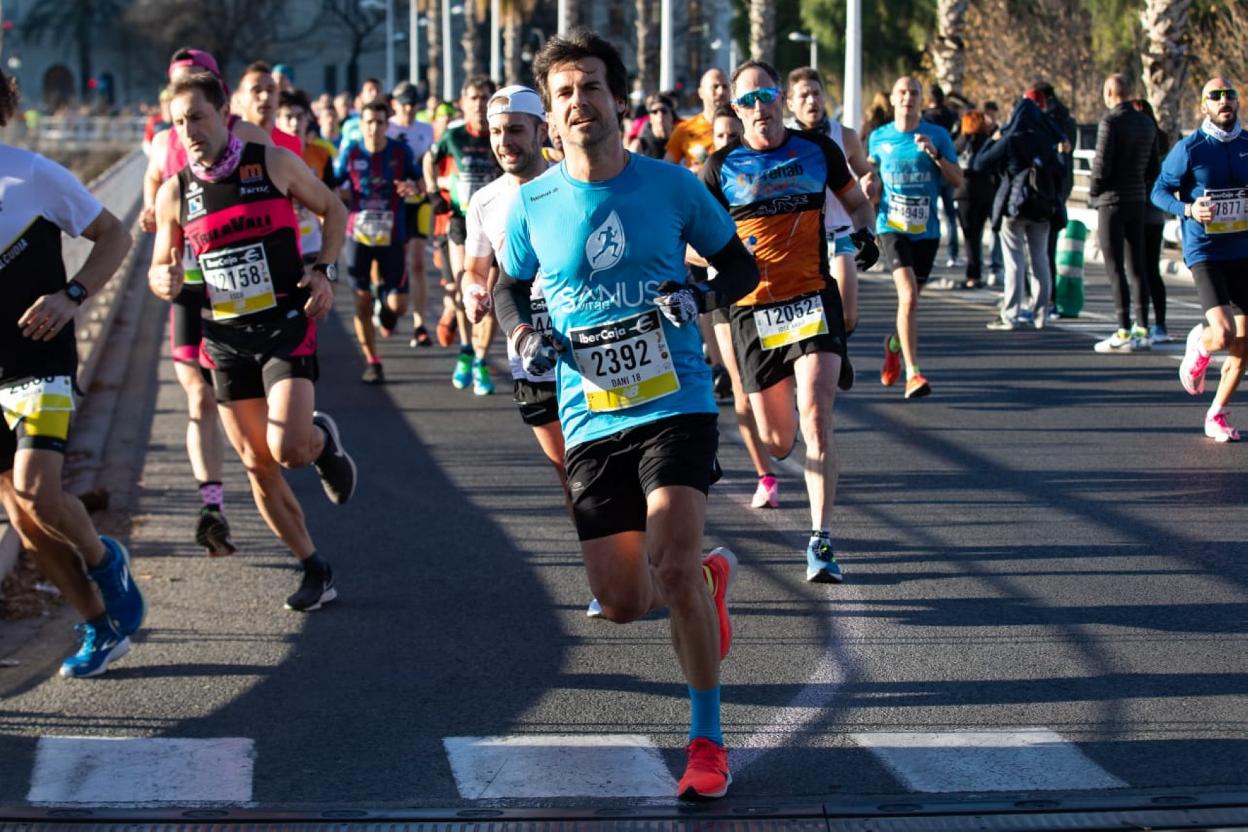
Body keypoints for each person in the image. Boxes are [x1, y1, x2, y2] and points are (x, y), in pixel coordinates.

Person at [494, 28, 760, 800]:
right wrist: (521, 333)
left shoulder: (672, 186)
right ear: (551, 117)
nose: (580, 101)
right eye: (564, 93)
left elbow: (740, 264)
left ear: (618, 101)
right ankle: (705, 580)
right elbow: (508, 284)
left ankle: (707, 743)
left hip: (676, 400)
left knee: (668, 565)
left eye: (592, 87)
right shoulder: (533, 202)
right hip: (590, 414)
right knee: (622, 603)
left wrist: (698, 294)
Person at [148, 72, 356, 610]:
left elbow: (333, 210)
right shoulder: (175, 192)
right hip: (224, 337)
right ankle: (314, 567)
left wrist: (324, 270)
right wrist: (162, 278)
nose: (190, 131)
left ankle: (320, 442)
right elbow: (160, 266)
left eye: (198, 117)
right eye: (179, 123)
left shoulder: (271, 163)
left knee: (288, 450)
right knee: (256, 463)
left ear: (224, 115)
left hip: (285, 322)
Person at [703, 60, 877, 583]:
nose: (759, 107)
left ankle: (821, 540)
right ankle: (786, 433)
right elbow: (692, 242)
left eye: (766, 95)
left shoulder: (817, 150)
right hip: (754, 312)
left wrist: (865, 234)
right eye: (747, 100)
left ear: (780, 99)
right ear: (736, 110)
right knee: (778, 442)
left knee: (817, 418)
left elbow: (857, 204)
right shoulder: (719, 169)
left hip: (811, 300)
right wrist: (719, 262)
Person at [0, 68, 146, 678]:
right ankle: (99, 626)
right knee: (24, 518)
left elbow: (115, 235)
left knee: (37, 488)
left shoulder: (32, 174)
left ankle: (104, 559)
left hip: (39, 361)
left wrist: (73, 295)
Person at [139, 48, 273, 558]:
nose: (187, 122)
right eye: (176, 88)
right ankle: (211, 508)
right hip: (192, 287)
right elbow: (152, 201)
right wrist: (159, 248)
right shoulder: (163, 142)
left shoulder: (249, 137)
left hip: (244, 286)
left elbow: (285, 196)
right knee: (198, 396)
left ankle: (284, 453)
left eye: (194, 86)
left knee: (258, 405)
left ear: (217, 97)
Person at [1152, 77, 1248, 443]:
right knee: (1222, 335)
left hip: (1242, 250)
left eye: (1230, 95)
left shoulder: (1247, 144)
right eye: (1215, 96)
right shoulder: (1190, 148)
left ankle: (1216, 414)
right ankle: (1199, 343)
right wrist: (1189, 209)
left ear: (1237, 102)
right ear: (1204, 105)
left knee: (1244, 344)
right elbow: (1158, 191)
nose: (1224, 100)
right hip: (1205, 250)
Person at [697, 105, 777, 509]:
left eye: (734, 135)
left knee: (778, 387)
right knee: (743, 386)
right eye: (721, 137)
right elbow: (687, 246)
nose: (728, 143)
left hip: (775, 292)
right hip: (729, 296)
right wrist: (723, 254)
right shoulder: (706, 180)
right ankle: (766, 475)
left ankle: (782, 434)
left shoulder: (767, 173)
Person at [863, 76, 962, 399]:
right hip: (891, 227)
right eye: (902, 92)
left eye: (914, 93)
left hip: (926, 232)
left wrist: (935, 155)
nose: (908, 97)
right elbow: (870, 174)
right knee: (908, 297)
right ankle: (913, 373)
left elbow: (958, 180)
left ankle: (894, 344)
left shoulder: (938, 135)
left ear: (921, 100)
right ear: (893, 99)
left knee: (912, 301)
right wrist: (869, 183)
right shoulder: (879, 137)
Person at [426, 75, 503, 395]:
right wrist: (433, 191)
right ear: (463, 103)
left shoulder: (501, 132)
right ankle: (466, 349)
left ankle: (481, 360)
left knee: (491, 296)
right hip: (461, 220)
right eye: (474, 98)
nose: (480, 104)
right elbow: (428, 160)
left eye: (485, 97)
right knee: (464, 288)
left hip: (496, 221)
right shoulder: (454, 135)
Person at [335, 100, 422, 384]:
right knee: (361, 303)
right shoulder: (351, 152)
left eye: (379, 122)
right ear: (361, 124)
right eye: (369, 122)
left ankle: (384, 300)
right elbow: (334, 183)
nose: (374, 128)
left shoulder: (400, 152)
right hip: (357, 237)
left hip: (392, 236)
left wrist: (412, 188)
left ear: (387, 124)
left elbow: (420, 184)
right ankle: (372, 361)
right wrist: (336, 197)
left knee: (399, 306)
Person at [973, 98, 1064, 329]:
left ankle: (1010, 314)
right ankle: (1041, 315)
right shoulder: (1046, 140)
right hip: (1042, 207)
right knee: (1040, 259)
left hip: (1014, 207)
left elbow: (979, 163)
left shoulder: (1011, 139)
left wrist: (992, 140)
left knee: (1014, 261)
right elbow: (1060, 171)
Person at [1089, 73, 1160, 353]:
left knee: (1115, 268)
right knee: (1138, 266)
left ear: (1109, 93)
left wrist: (1094, 192)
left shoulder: (1110, 122)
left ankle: (1122, 328)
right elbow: (1153, 167)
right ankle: (1143, 328)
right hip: (1137, 200)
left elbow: (1101, 164)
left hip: (1111, 201)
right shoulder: (1146, 123)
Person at [387, 82, 436, 348]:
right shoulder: (387, 127)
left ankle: (420, 324)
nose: (408, 109)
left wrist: (424, 184)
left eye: (413, 104)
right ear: (394, 104)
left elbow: (431, 163)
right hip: (392, 201)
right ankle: (383, 298)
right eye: (404, 104)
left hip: (419, 200)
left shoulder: (426, 130)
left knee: (417, 261)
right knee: (391, 259)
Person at [276, 89, 336, 265]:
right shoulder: (268, 155)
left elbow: (332, 197)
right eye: (288, 117)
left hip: (315, 239)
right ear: (277, 120)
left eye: (299, 117)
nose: (294, 123)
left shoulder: (321, 154)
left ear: (308, 119)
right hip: (282, 240)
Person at [1131, 98, 1171, 343]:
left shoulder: (1139, 143)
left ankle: (1142, 322)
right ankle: (1160, 323)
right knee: (1151, 270)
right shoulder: (1163, 141)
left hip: (1138, 211)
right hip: (1156, 216)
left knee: (1139, 271)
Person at [954, 109, 997, 289]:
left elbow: (952, 152)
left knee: (970, 236)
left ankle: (973, 274)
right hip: (986, 191)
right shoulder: (988, 141)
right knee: (979, 233)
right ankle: (983, 271)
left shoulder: (962, 141)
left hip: (965, 192)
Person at [922, 84, 961, 268]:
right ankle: (953, 254)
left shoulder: (925, 118)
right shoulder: (952, 115)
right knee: (950, 214)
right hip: (949, 165)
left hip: (931, 168)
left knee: (929, 212)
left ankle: (930, 252)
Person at [665, 68, 731, 170]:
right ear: (701, 93)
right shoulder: (685, 128)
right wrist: (689, 173)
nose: (721, 92)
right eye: (715, 87)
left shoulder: (742, 125)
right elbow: (666, 168)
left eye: (725, 87)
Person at [235, 61, 303, 156]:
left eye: (270, 90)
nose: (265, 96)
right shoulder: (227, 141)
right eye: (257, 90)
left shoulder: (291, 144)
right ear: (239, 99)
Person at [630, 92, 677, 159]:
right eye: (654, 112)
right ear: (650, 117)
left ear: (672, 116)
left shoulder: (682, 140)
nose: (660, 115)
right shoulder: (639, 146)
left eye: (663, 111)